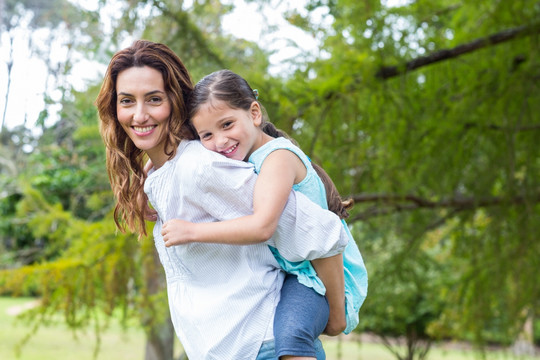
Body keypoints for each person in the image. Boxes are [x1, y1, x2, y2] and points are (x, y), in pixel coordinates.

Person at [96, 39, 354, 360]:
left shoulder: (201, 167)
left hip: (265, 346)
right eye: (126, 101)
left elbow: (320, 232)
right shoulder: (165, 173)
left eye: (154, 99)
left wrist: (336, 314)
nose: (140, 114)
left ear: (175, 101)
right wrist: (146, 177)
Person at [159, 69, 368, 359]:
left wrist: (192, 231)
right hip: (291, 272)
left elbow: (262, 227)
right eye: (207, 134)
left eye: (227, 124)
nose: (220, 141)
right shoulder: (243, 158)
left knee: (292, 335)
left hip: (312, 278)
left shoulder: (277, 158)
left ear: (254, 113)